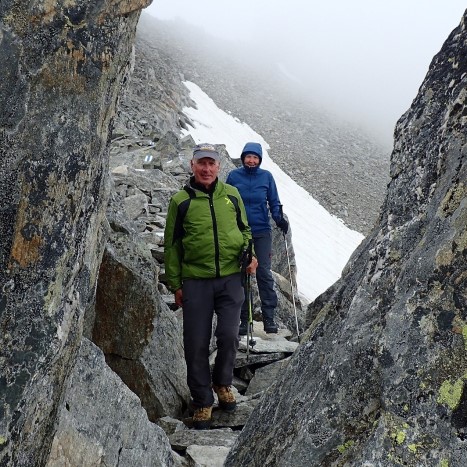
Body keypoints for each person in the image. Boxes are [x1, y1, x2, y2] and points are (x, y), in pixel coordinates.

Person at [164, 143, 257, 430]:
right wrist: (175, 284)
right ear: (192, 165)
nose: (206, 169)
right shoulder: (181, 201)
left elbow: (245, 229)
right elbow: (172, 245)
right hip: (195, 280)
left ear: (219, 167)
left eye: (212, 164)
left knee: (229, 335)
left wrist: (250, 253)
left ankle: (223, 384)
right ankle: (202, 400)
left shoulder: (231, 194)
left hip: (231, 277)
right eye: (201, 163)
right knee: (195, 343)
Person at [226, 142, 288, 334]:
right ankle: (243, 320)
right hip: (239, 232)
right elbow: (226, 201)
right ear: (243, 157)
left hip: (261, 231)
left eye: (255, 157)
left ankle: (269, 319)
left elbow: (274, 201)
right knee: (243, 274)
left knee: (263, 273)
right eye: (248, 157)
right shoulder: (234, 176)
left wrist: (279, 220)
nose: (251, 161)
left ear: (259, 159)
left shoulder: (266, 177)